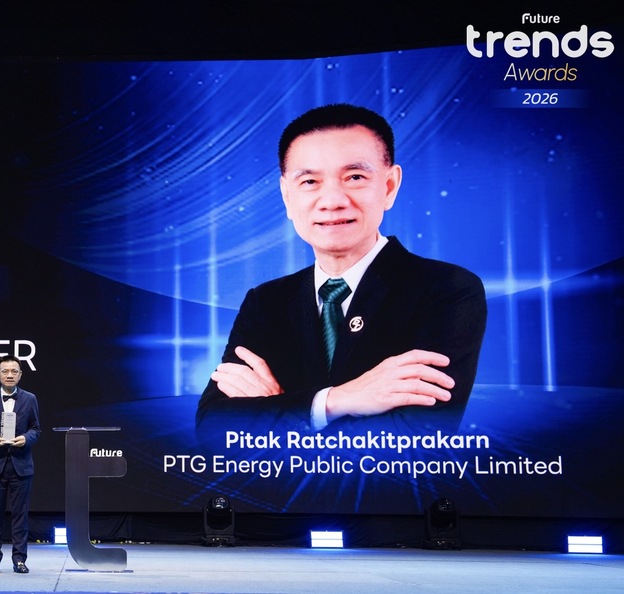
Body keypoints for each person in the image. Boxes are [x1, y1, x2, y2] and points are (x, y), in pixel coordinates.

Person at [196, 103, 487, 436]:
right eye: (310, 181)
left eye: (355, 177)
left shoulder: (446, 289)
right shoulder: (266, 303)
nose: (332, 200)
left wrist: (278, 408)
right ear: (287, 196)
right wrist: (336, 401)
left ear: (389, 186)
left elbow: (415, 439)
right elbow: (215, 429)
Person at [0, 354, 41, 574]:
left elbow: (36, 429)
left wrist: (26, 439)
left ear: (20, 374)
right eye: (5, 371)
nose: (10, 375)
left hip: (21, 465)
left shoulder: (30, 399)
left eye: (14, 371)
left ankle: (19, 560)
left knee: (20, 517)